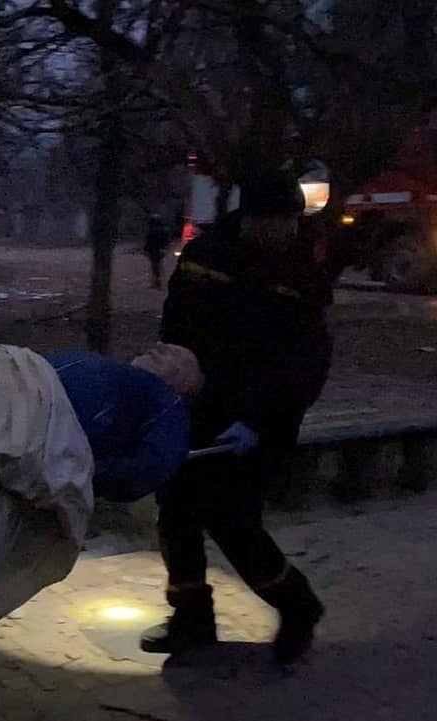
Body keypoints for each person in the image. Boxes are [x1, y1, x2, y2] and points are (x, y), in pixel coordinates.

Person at [139, 168, 332, 664]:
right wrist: (170, 378)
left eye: (292, 222)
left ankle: (298, 605)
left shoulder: (299, 274)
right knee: (177, 515)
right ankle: (191, 620)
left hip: (255, 420)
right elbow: (176, 324)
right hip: (194, 406)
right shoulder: (206, 257)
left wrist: (261, 421)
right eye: (276, 222)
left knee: (233, 523)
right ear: (250, 218)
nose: (285, 233)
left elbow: (306, 362)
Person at [47, 344, 204, 503]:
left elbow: (147, 471)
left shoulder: (169, 408)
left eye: (174, 354)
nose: (159, 346)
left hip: (41, 427)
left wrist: (79, 470)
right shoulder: (115, 372)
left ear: (184, 380)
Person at [144, 215, 171, 288]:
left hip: (154, 251)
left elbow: (149, 241)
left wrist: (146, 250)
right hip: (159, 251)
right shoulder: (163, 230)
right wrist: (164, 249)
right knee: (157, 266)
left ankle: (157, 283)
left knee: (155, 267)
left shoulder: (152, 230)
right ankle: (158, 282)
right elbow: (166, 241)